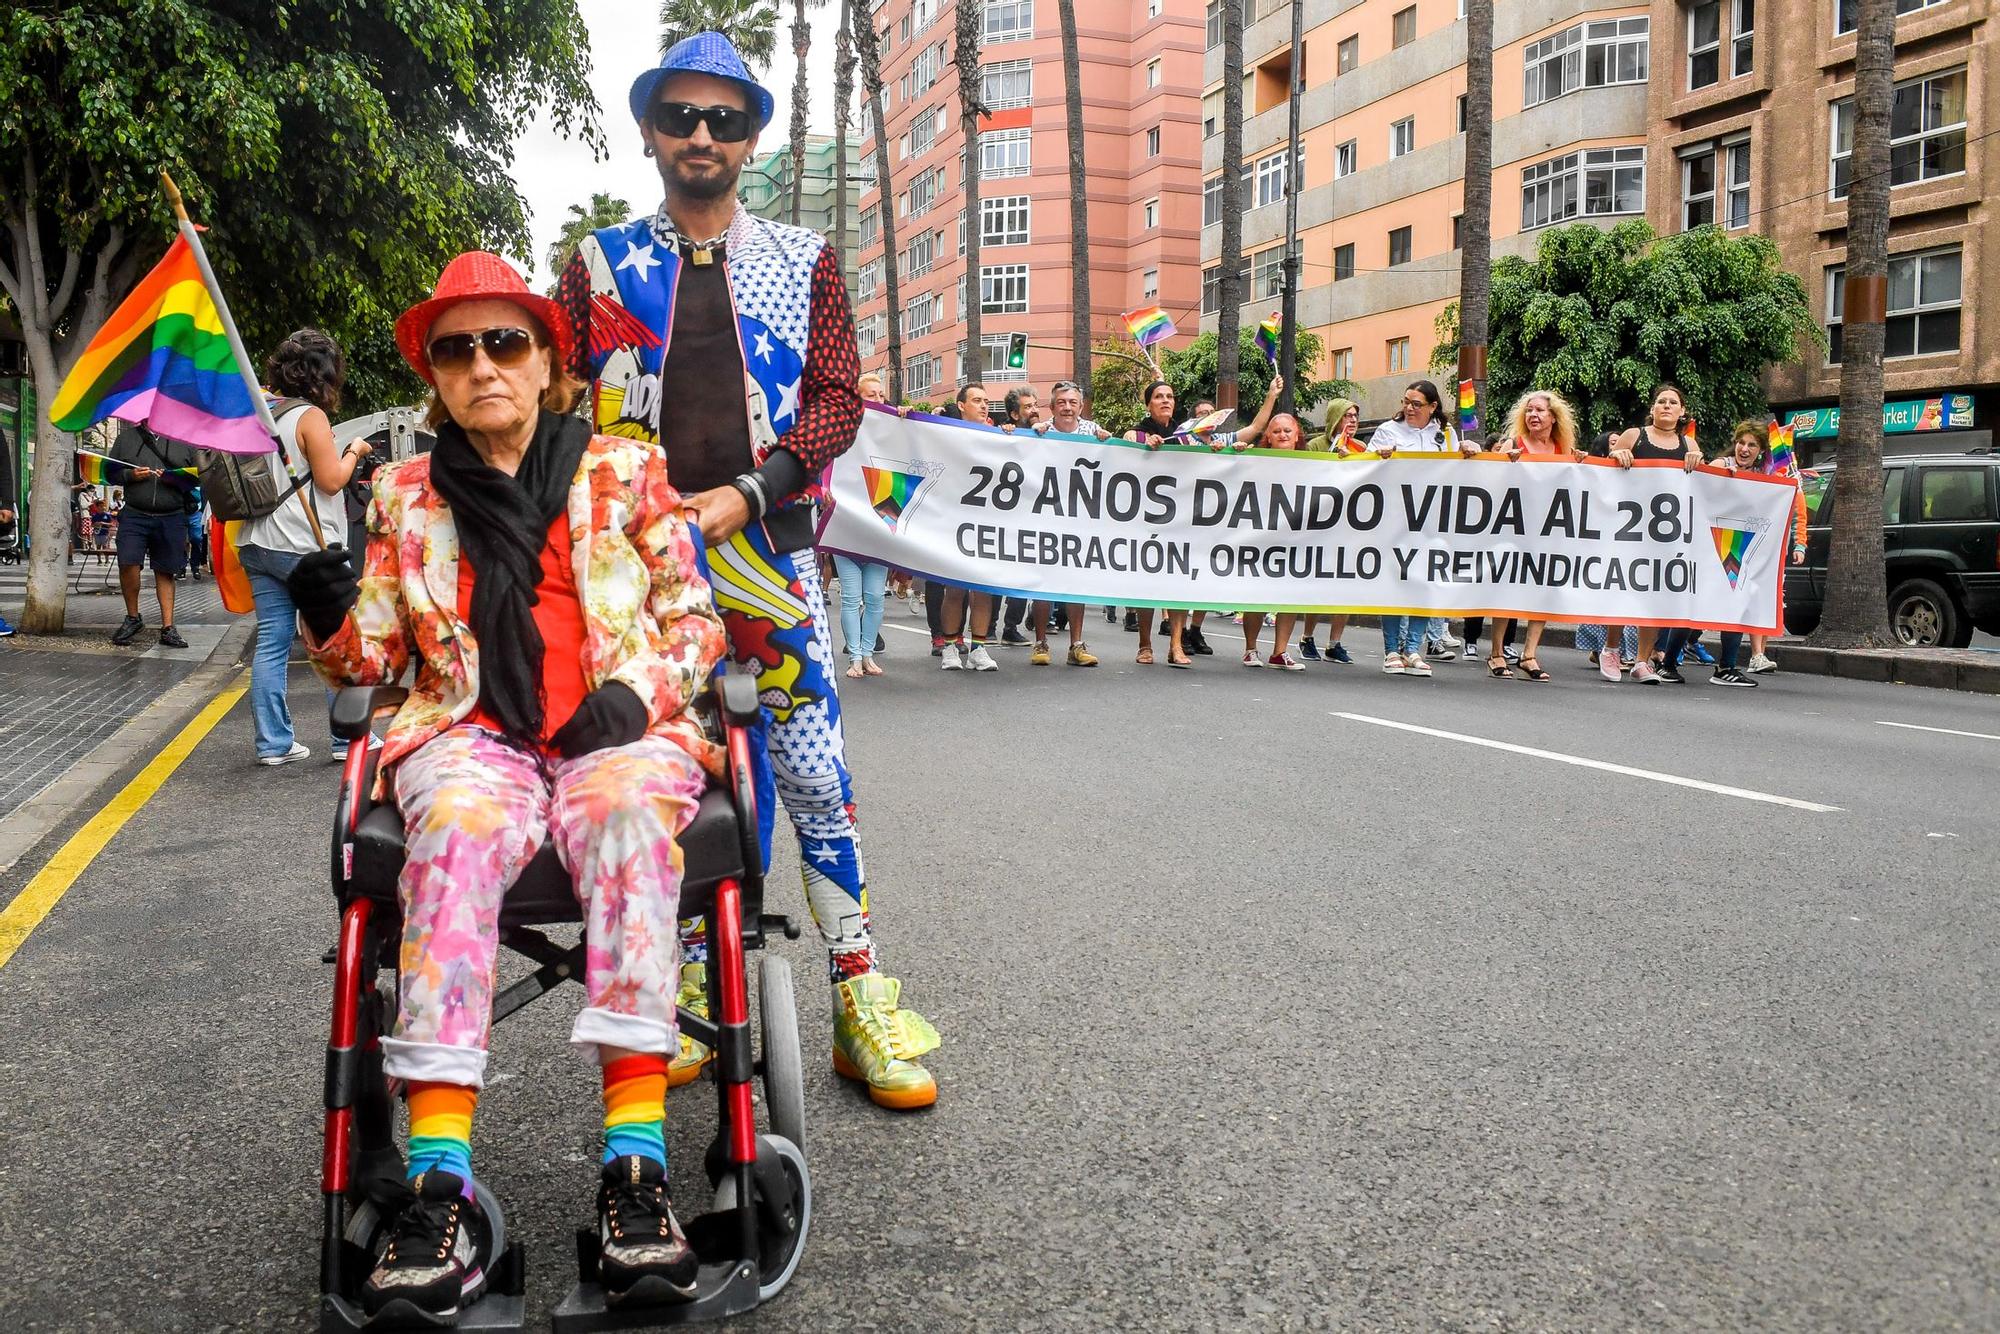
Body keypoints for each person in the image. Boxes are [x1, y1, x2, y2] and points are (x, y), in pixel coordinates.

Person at [286, 251, 725, 1317]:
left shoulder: (624, 470)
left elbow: (696, 618)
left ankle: (636, 1173)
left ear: (545, 361)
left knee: (623, 811)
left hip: (610, 733)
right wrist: (322, 600)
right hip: (471, 734)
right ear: (433, 374)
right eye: (455, 348)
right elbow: (370, 659)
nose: (481, 364)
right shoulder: (402, 494)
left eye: (503, 341)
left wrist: (634, 693)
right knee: (460, 821)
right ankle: (437, 1185)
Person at [557, 31, 939, 1108]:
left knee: (814, 771)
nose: (699, 135)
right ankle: (680, 987)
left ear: (752, 136)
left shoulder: (802, 258)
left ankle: (859, 993)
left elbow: (833, 399)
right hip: (635, 572)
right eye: (680, 116)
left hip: (766, 554)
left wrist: (750, 493)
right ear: (648, 130)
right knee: (663, 773)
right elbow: (550, 394)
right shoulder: (601, 263)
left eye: (723, 120)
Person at [237, 329, 374, 766]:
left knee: (273, 643)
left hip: (256, 542)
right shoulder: (310, 417)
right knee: (335, 640)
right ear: (324, 375)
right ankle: (347, 739)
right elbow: (332, 479)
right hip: (303, 547)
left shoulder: (259, 412)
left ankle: (274, 745)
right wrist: (354, 450)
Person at [1367, 380, 1470, 677]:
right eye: (1406, 402)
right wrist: (1379, 458)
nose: (1409, 408)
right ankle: (1391, 650)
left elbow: (1459, 473)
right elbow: (1363, 470)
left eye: (1416, 404)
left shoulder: (1446, 435)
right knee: (1395, 583)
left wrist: (1469, 451)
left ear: (1433, 407)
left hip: (1432, 520)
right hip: (1395, 519)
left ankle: (1413, 648)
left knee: (1424, 582)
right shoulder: (1388, 430)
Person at [1482, 389, 1583, 682]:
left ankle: (1529, 655)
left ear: (1554, 417)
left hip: (1548, 532)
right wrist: (1504, 463)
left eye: (1539, 410)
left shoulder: (1563, 448)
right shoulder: (1514, 444)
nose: (1533, 415)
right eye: (1529, 410)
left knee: (1541, 592)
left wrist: (1582, 464)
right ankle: (1497, 653)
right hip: (1514, 529)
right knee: (1508, 589)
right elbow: (1489, 480)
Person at [1608, 384, 1704, 684]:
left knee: (1655, 596)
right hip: (1628, 528)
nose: (1666, 405)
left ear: (1681, 411)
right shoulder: (1634, 435)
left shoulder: (1689, 445)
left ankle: (1642, 660)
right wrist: (1618, 454)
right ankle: (1611, 649)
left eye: (1672, 402)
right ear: (1652, 409)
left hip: (1665, 536)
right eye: (1660, 401)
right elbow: (1603, 475)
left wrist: (1698, 463)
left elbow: (1701, 488)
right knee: (1621, 589)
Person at [1023, 380, 1102, 666]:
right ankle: (1041, 643)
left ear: (1081, 406)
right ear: (1052, 406)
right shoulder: (1040, 432)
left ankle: (1076, 645)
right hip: (1046, 517)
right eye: (1062, 402)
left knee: (1074, 583)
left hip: (1080, 520)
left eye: (1073, 402)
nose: (1067, 407)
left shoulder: (1094, 432)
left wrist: (1107, 441)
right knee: (1044, 582)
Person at [107, 421, 197, 649]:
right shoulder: (126, 439)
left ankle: (168, 627)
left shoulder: (185, 439)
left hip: (172, 515)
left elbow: (198, 477)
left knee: (165, 571)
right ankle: (133, 618)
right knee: (127, 562)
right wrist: (129, 475)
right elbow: (110, 472)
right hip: (135, 513)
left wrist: (173, 477)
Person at [1124, 380, 1194, 667]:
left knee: (1179, 584)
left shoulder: (1186, 437)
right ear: (1148, 404)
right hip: (1145, 519)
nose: (1165, 400)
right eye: (1158, 396)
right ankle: (1145, 644)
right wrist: (1142, 444)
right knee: (1147, 584)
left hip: (1181, 520)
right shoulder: (1136, 432)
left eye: (1170, 396)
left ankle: (1176, 646)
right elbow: (1125, 448)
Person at [829, 371, 893, 679]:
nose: (878, 400)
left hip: (880, 525)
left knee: (876, 597)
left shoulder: (893, 431)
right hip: (846, 526)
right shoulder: (840, 429)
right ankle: (855, 656)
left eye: (881, 394)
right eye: (871, 395)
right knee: (852, 598)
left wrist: (904, 418)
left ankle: (868, 654)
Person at [937, 383, 1002, 670]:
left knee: (983, 589)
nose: (984, 405)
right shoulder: (945, 432)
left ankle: (979, 647)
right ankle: (950, 646)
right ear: (961, 405)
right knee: (954, 589)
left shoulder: (1001, 435)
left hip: (988, 521)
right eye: (977, 400)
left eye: (986, 401)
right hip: (954, 520)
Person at [1239, 412, 1307, 670]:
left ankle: (1280, 652)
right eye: (1277, 431)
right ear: (1268, 435)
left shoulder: (1313, 463)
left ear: (1297, 434)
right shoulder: (1255, 459)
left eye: (1287, 431)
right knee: (1257, 593)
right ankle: (1250, 649)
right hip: (1261, 537)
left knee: (1290, 595)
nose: (1282, 435)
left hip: (1294, 538)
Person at [1298, 397, 1362, 664]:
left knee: (1346, 587)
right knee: (1318, 585)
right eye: (1347, 416)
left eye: (1356, 416)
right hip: (1320, 526)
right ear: (1335, 418)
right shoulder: (1316, 445)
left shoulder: (1361, 448)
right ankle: (1307, 637)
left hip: (1348, 527)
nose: (1353, 421)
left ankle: (1335, 642)